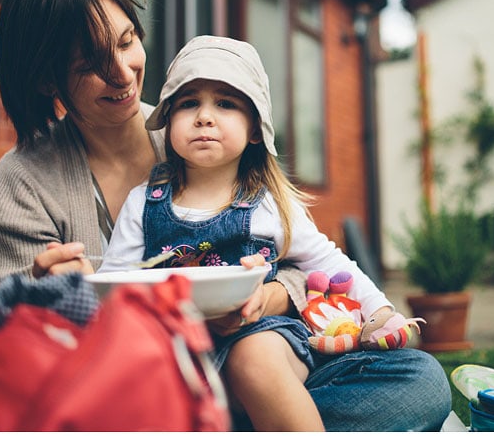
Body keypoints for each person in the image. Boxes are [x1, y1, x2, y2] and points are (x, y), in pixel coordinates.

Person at [0, 0, 451, 431]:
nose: (123, 73)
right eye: (91, 65)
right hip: (145, 376)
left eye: (127, 42)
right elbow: (26, 351)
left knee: (422, 380)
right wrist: (67, 298)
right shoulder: (25, 181)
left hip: (262, 356)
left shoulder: (202, 140)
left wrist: (269, 296)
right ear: (47, 79)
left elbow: (307, 257)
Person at [98, 36, 424, 431]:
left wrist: (380, 311)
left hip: (260, 335)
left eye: (225, 103)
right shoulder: (143, 202)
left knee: (254, 357)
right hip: (175, 347)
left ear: (255, 129)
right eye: (188, 103)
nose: (204, 117)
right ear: (168, 122)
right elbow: (113, 284)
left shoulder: (267, 204)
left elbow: (329, 260)